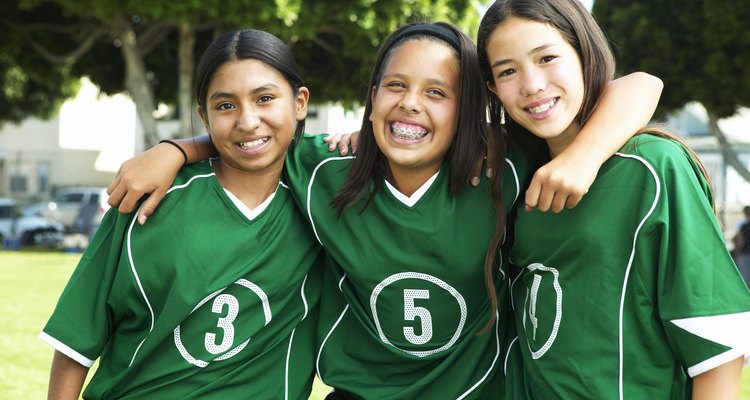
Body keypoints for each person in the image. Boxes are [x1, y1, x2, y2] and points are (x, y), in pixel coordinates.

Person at [104, 22, 662, 399]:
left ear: (468, 108)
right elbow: (255, 137)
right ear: (371, 96)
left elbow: (642, 83)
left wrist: (586, 157)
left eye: (437, 92)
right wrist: (176, 149)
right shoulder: (323, 170)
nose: (410, 103)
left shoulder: (506, 162)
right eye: (395, 85)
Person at [477, 0, 750, 398]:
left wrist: (585, 156)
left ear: (583, 53)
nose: (532, 84)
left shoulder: (652, 166)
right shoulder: (512, 177)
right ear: (492, 88)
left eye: (548, 57)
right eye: (507, 71)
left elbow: (717, 347)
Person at [39, 29, 323, 399]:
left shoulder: (323, 192)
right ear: (204, 117)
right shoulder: (150, 197)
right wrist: (175, 151)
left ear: (300, 102)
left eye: (265, 98)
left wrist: (179, 147)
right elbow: (76, 339)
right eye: (226, 106)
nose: (248, 121)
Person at [734, 205, 750, 285]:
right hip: (744, 253)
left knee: (745, 278)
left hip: (744, 253)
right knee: (745, 278)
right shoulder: (742, 226)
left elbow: (738, 241)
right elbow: (738, 241)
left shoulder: (743, 226)